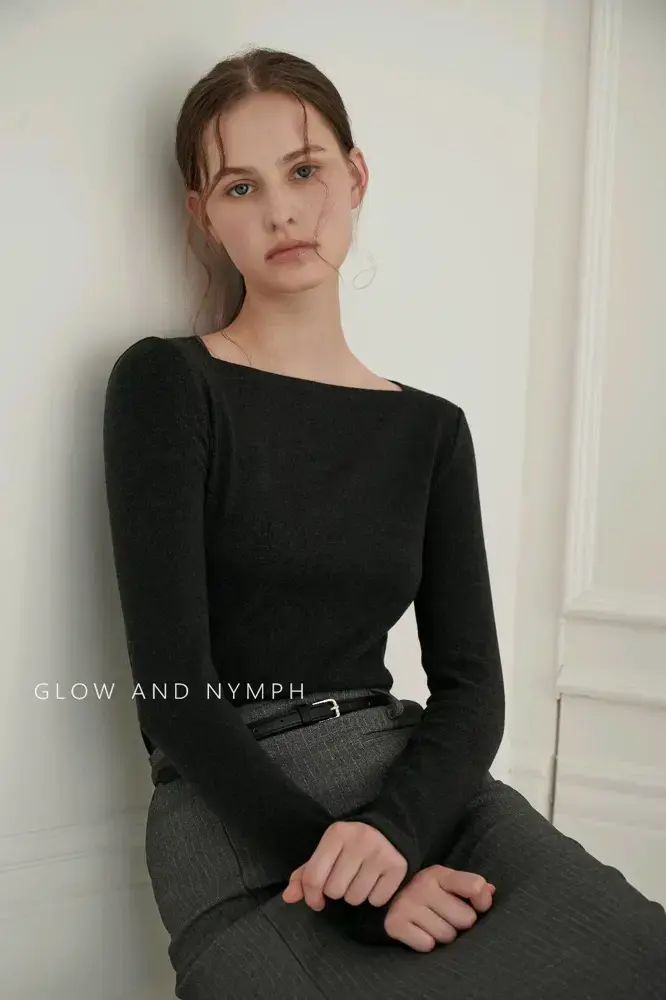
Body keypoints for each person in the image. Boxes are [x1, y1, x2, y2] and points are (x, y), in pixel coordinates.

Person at [102, 46, 666, 1000]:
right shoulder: (167, 384)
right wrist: (365, 888)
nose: (282, 211)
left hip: (413, 792)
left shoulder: (430, 430)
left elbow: (473, 690)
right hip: (243, 814)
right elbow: (173, 696)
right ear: (204, 214)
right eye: (241, 186)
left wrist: (396, 835)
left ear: (356, 177)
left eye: (305, 170)